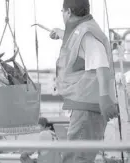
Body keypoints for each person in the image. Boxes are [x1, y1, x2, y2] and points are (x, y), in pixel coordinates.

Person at [50, 0, 119, 162]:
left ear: (68, 12)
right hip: (85, 106)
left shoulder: (86, 33)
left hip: (87, 107)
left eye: (62, 12)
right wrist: (61, 33)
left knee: (76, 157)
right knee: (77, 156)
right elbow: (78, 43)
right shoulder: (83, 31)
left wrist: (104, 97)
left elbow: (100, 63)